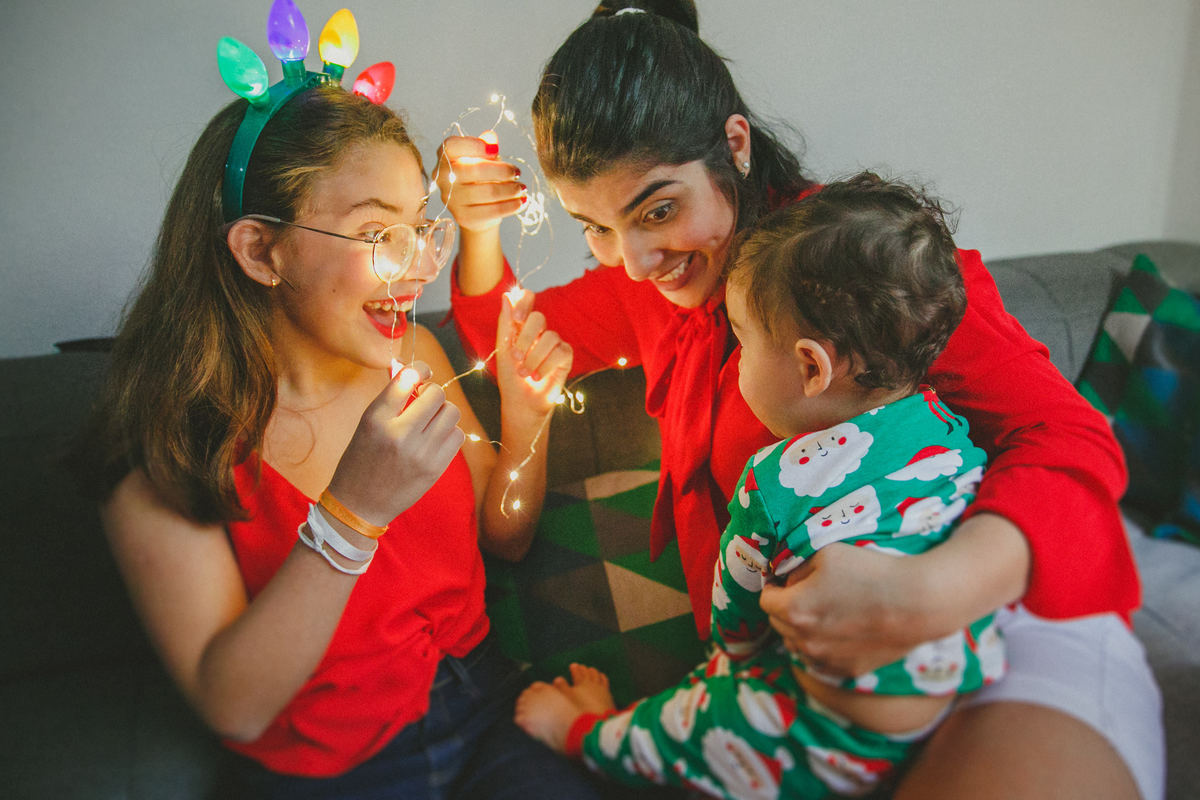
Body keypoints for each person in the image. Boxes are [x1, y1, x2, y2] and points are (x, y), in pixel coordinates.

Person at [438, 2, 1164, 798]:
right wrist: (478, 233)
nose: (636, 262)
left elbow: (1069, 437)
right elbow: (501, 333)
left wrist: (931, 591)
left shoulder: (858, 264)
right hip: (805, 700)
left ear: (736, 148)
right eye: (597, 230)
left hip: (994, 625)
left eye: (658, 209)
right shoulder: (654, 286)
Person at [74, 58, 605, 799]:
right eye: (378, 234)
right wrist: (351, 517)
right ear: (262, 251)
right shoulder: (165, 448)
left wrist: (527, 421)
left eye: (422, 225)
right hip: (331, 771)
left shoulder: (413, 359)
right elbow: (236, 706)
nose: (420, 265)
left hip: (483, 707)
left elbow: (506, 536)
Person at [513, 174, 1006, 799]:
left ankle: (586, 732)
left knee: (689, 723)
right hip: (946, 709)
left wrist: (732, 667)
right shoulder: (948, 427)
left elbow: (737, 610)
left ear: (809, 366)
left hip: (830, 732)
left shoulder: (777, 477)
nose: (735, 359)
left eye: (741, 342)